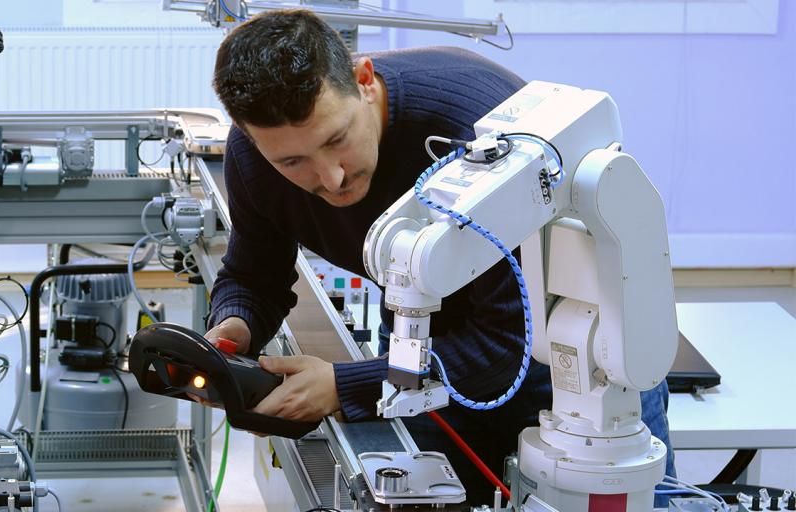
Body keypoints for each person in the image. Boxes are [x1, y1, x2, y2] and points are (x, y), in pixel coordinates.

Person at [203, 9, 674, 505]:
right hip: (423, 342)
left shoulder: (478, 135)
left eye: (336, 140)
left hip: (572, 371)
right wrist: (233, 326)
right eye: (292, 162)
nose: (331, 178)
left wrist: (345, 386)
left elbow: (508, 342)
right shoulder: (253, 159)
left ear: (364, 80)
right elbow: (253, 274)